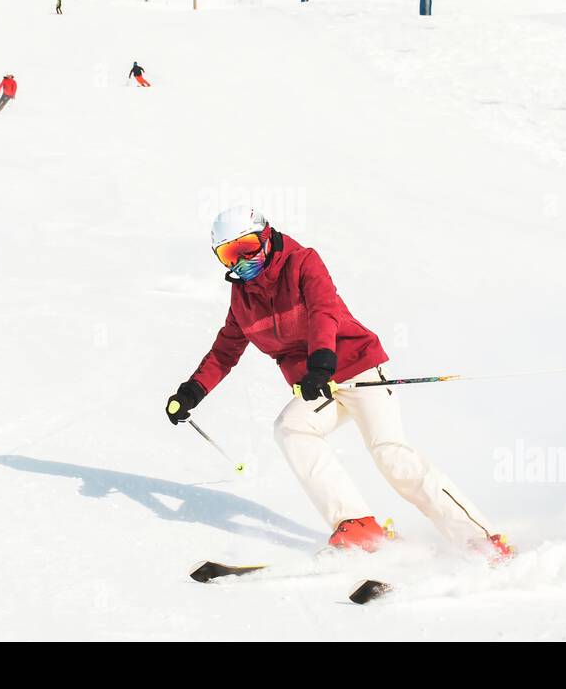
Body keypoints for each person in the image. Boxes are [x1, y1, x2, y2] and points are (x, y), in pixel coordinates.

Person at [165, 206, 514, 560]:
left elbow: (323, 311)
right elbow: (225, 350)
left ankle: (480, 538)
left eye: (247, 247)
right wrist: (191, 392)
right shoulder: (243, 300)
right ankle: (357, 523)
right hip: (317, 385)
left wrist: (321, 364)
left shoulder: (302, 263)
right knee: (291, 428)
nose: (241, 261)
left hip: (356, 367)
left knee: (390, 454)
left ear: (266, 236)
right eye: (228, 254)